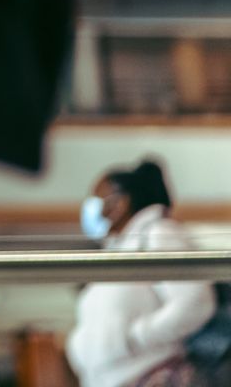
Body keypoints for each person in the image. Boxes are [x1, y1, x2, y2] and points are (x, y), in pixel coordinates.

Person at [67, 160, 217, 387]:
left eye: (98, 200)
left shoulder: (159, 234)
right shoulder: (121, 246)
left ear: (122, 202)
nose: (92, 209)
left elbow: (195, 302)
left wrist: (135, 338)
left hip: (151, 377)